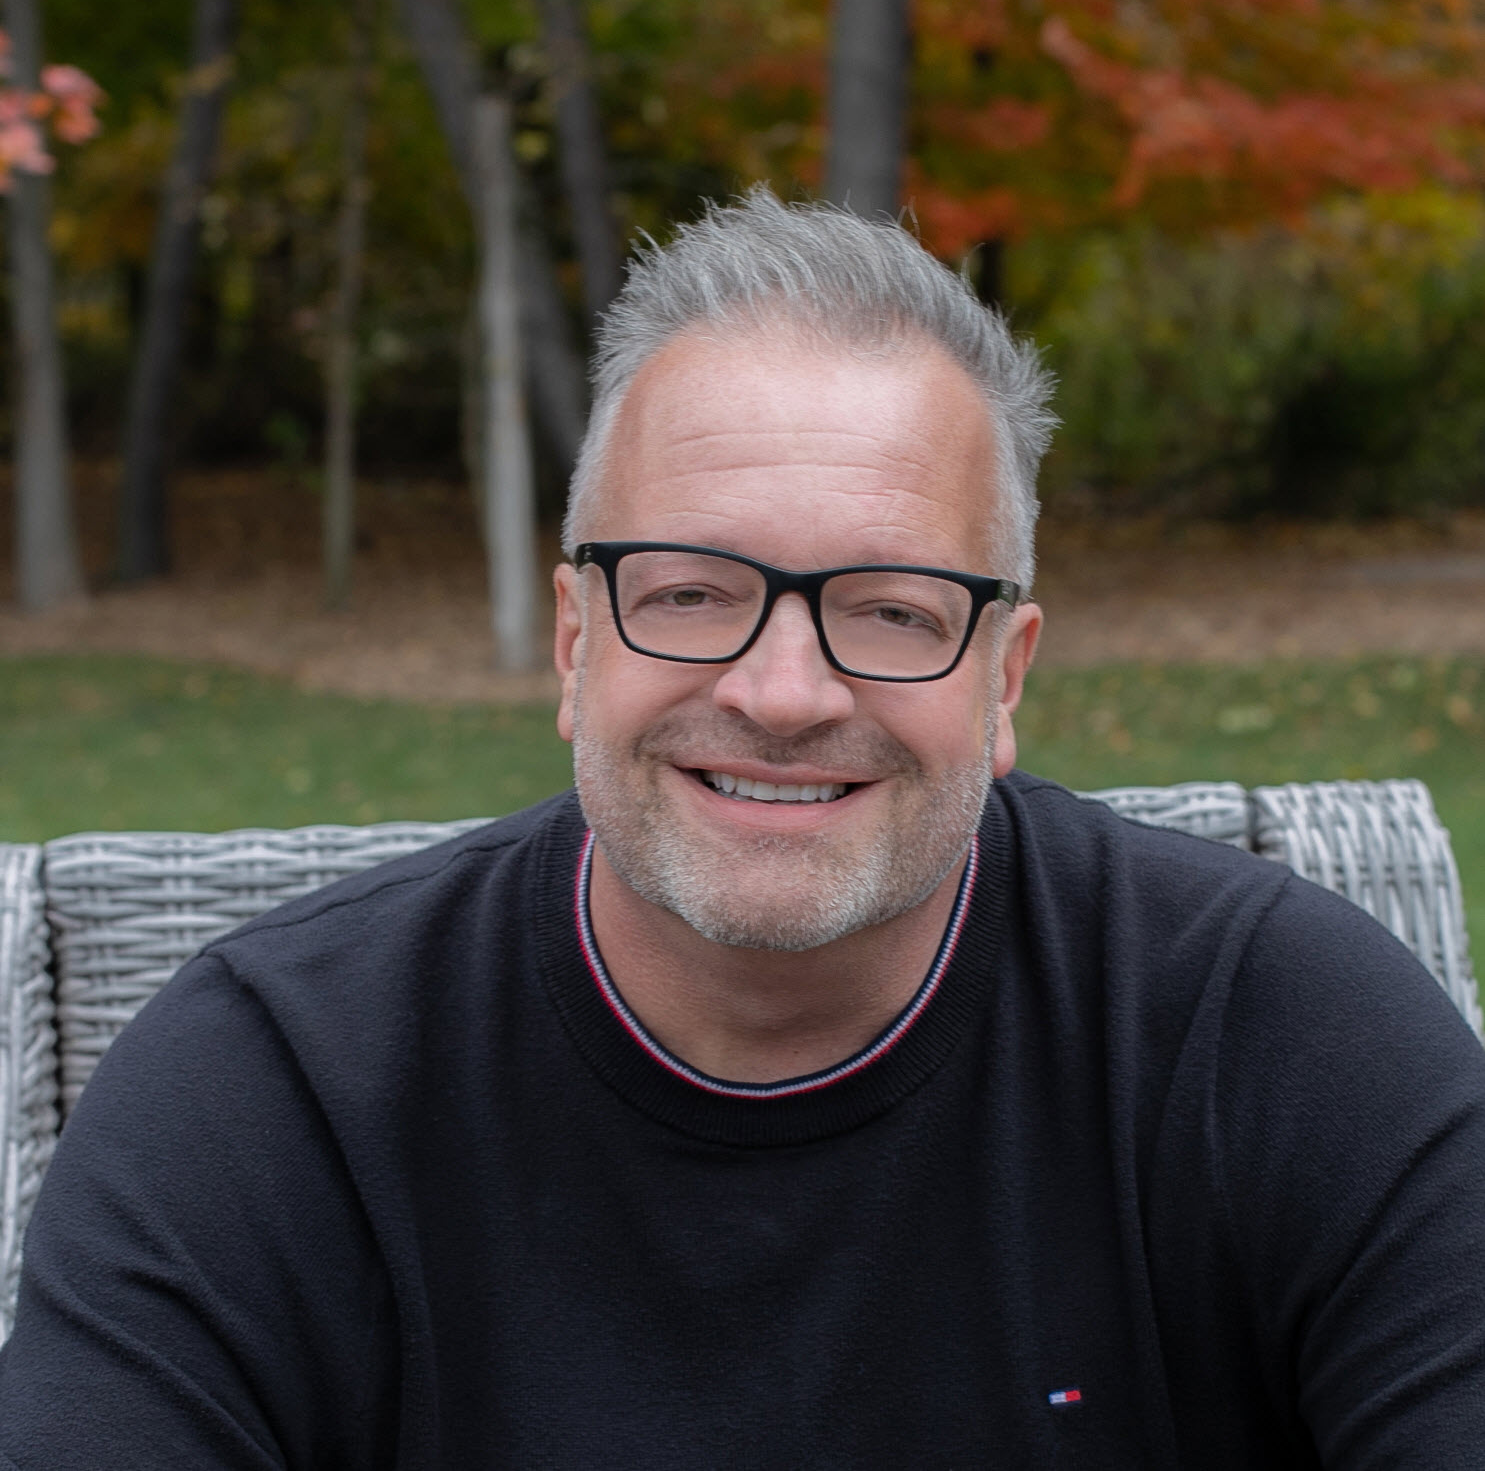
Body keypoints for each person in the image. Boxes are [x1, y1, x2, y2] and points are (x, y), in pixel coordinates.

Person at [3, 191, 1484, 1470]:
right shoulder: (275, 1089)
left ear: (1005, 674)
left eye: (891, 610)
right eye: (692, 591)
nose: (782, 692)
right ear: (576, 641)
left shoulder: (1281, 1041)